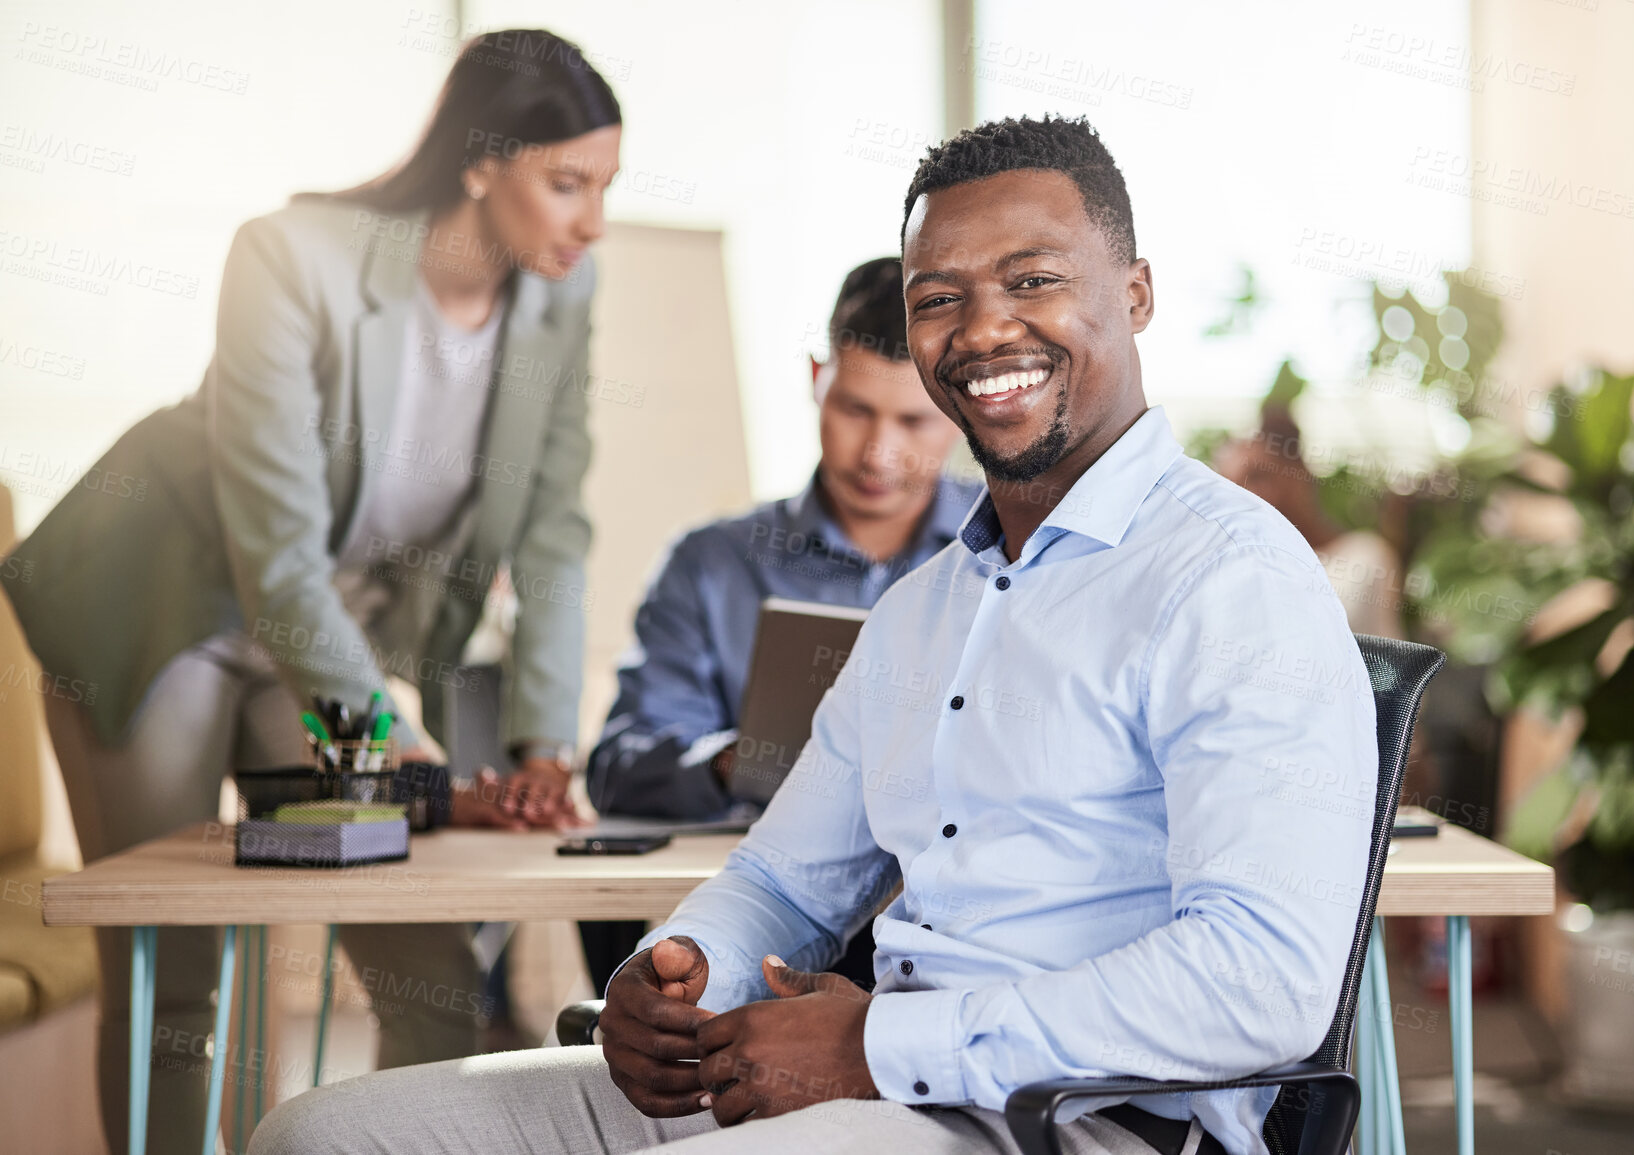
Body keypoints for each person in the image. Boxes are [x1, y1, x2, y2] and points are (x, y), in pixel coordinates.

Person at [250, 114, 1377, 1155]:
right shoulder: (924, 610)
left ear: (1133, 295)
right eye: (938, 298)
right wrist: (680, 970)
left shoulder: (1233, 577)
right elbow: (784, 885)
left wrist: (879, 1048)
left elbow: (1265, 980)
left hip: (1074, 1122)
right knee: (324, 1137)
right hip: (881, 1084)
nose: (983, 328)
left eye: (1032, 280)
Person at [0, 29, 619, 1153]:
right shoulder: (291, 258)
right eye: (566, 183)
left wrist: (542, 749)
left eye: (604, 187)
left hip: (323, 634)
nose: (592, 222)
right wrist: (407, 756)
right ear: (481, 162)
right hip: (171, 607)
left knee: (427, 964)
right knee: (178, 969)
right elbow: (275, 560)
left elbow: (555, 533)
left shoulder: (558, 299)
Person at [578, 256, 976, 986]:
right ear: (815, 378)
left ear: (957, 408)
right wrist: (742, 759)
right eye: (854, 408)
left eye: (914, 419)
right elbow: (619, 765)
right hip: (760, 925)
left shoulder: (1003, 567)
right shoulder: (710, 565)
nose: (878, 453)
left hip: (953, 942)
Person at [1212, 408, 1405, 637]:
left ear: (1299, 472)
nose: (1245, 494)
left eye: (1257, 477)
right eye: (1229, 484)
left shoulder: (1366, 557)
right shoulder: (1235, 568)